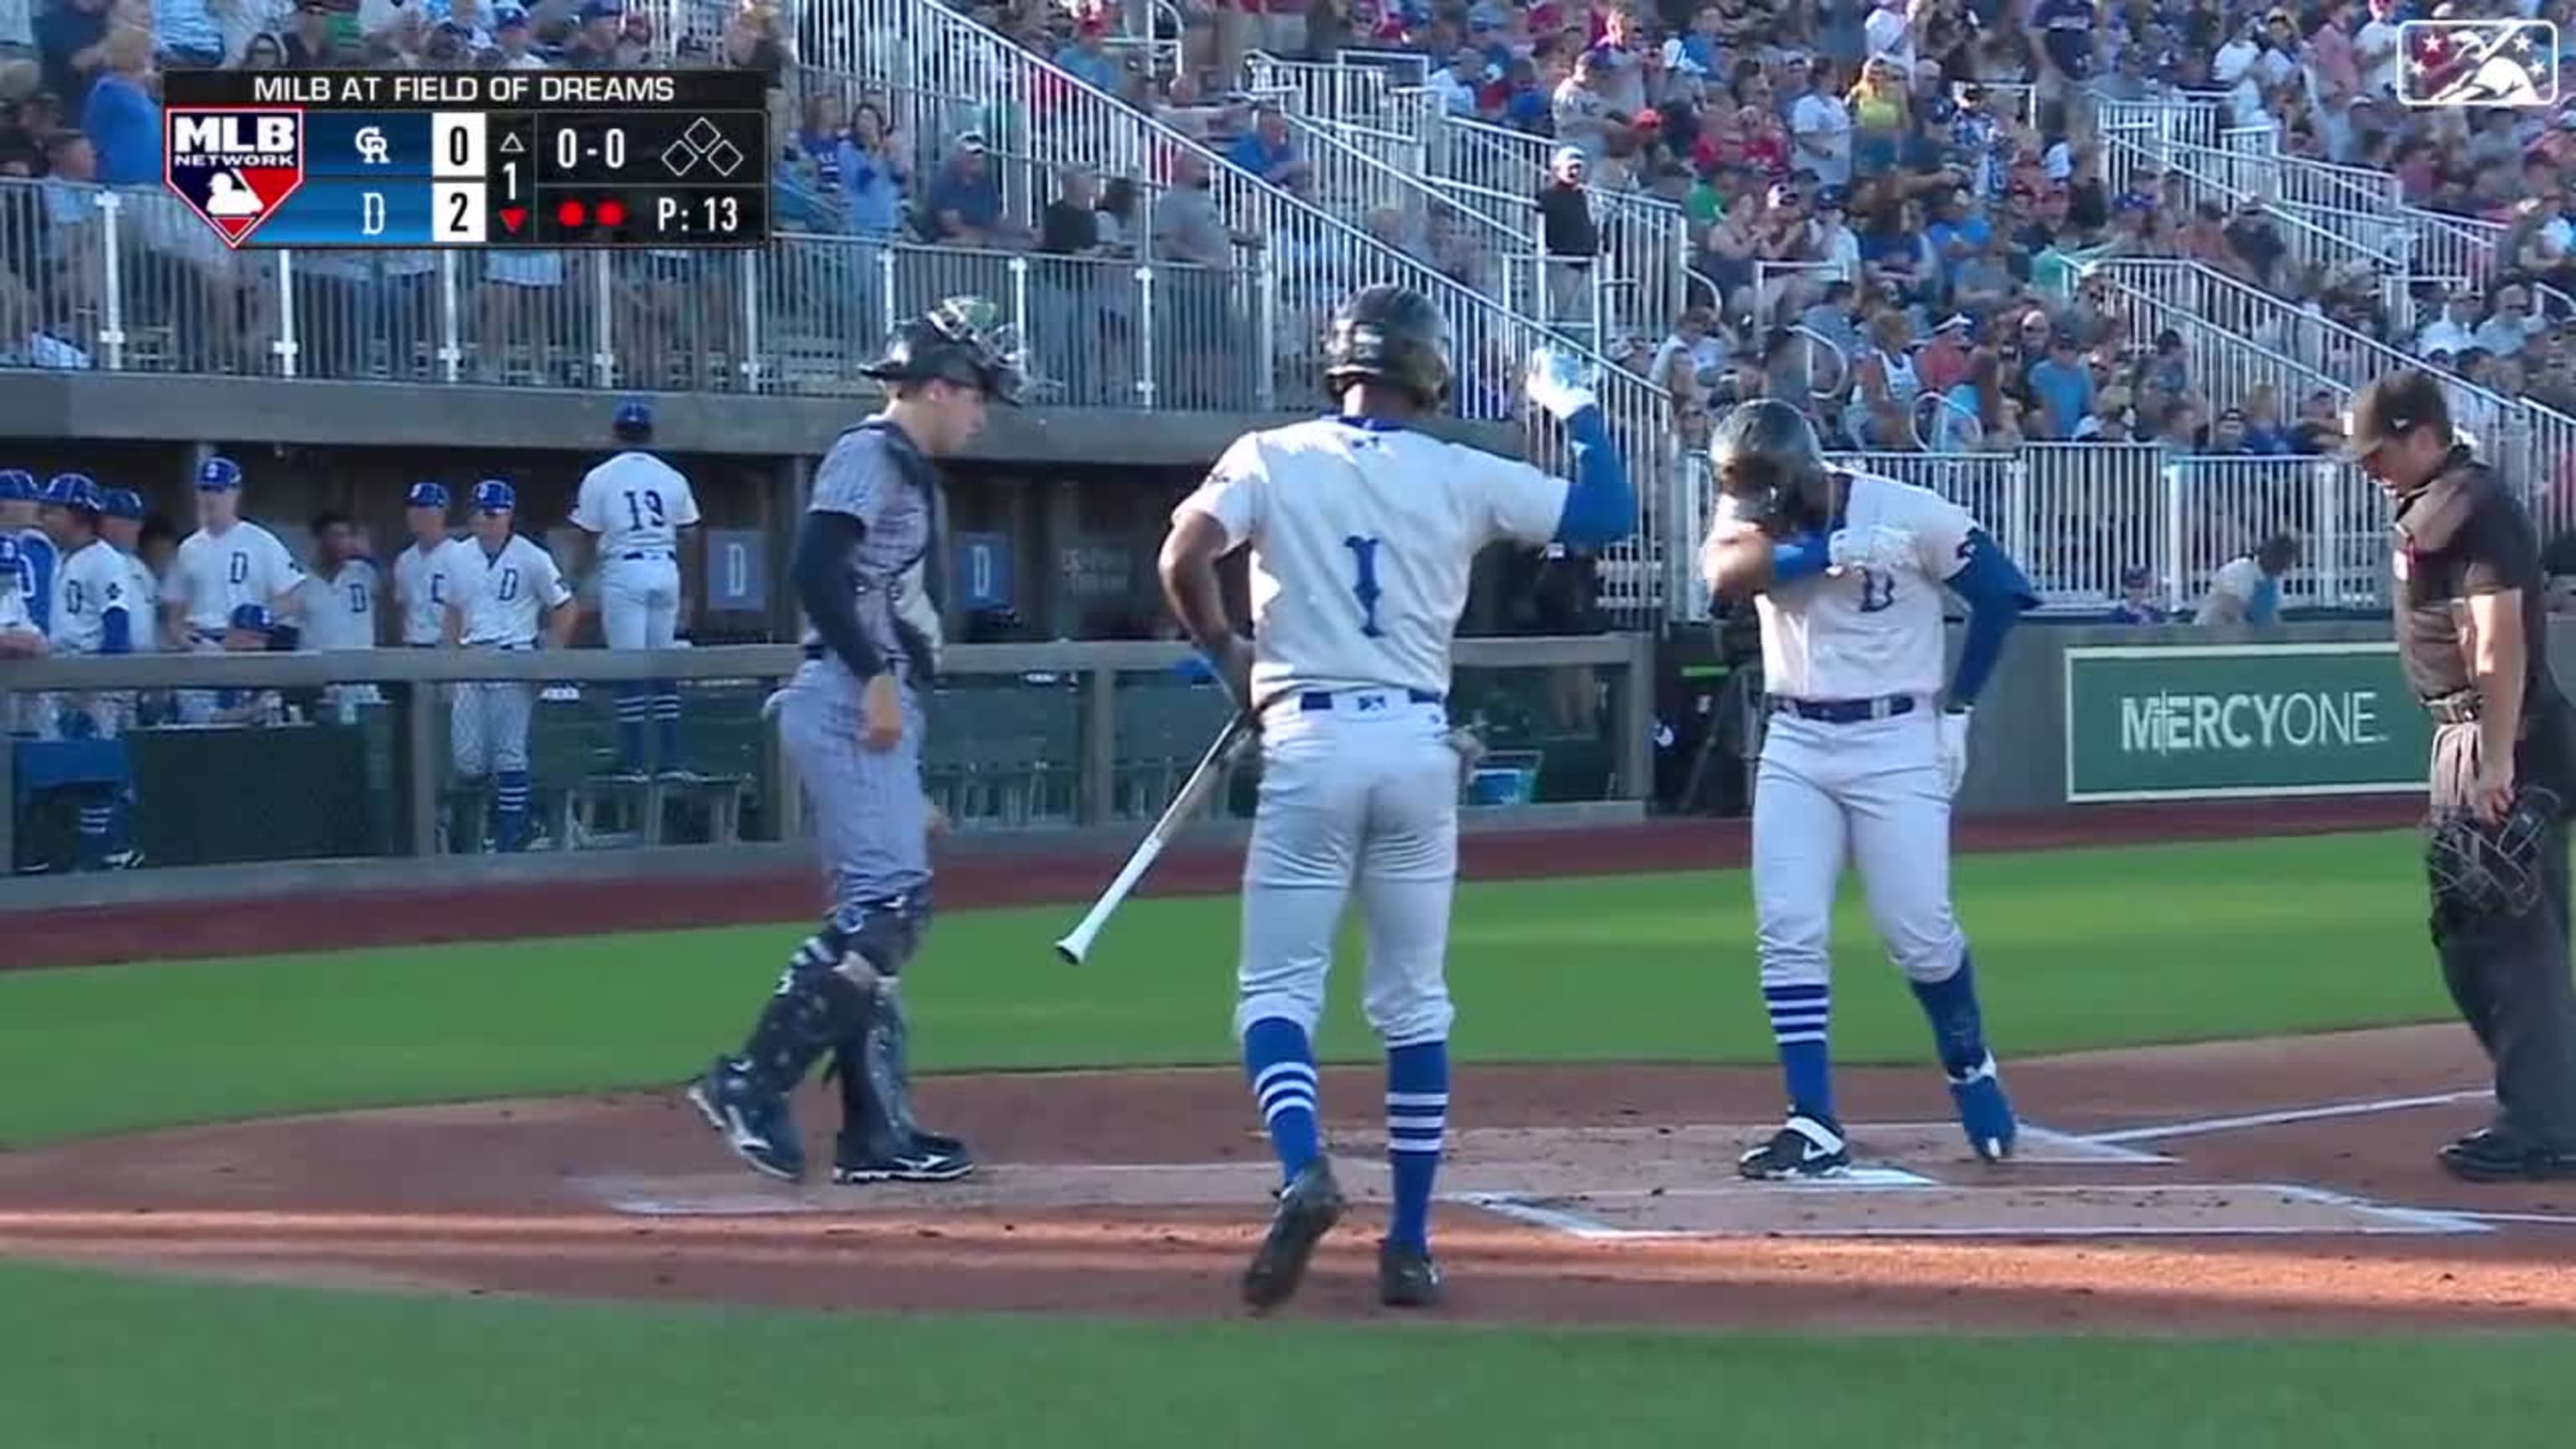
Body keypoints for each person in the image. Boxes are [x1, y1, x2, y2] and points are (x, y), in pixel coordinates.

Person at [1155, 285, 1636, 1313]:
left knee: (1277, 992)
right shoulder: (1459, 472)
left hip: (1310, 737)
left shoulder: (1268, 456)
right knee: (1413, 1002)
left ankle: (1302, 1168)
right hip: (1418, 742)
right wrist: (1577, 407)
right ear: (1428, 373)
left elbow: (1181, 556)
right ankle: (1411, 1245)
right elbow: (1610, 514)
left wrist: (1229, 653)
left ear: (1339, 366)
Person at [685, 299, 1018, 1189]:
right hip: (847, 692)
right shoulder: (870, 453)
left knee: (876, 919)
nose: (982, 415)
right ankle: (751, 1081)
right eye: (978, 395)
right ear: (940, 388)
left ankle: (877, 1132)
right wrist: (872, 676)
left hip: (871, 705)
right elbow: (814, 569)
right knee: (890, 914)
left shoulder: (903, 466)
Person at [1697, 398, 2038, 1180]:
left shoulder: (1906, 510)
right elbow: (1723, 574)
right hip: (1796, 736)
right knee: (1787, 925)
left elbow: (2001, 593)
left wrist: (1957, 711)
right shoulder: (1750, 512)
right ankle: (1812, 1119)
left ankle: (1967, 1061)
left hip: (1895, 737)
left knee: (1917, 930)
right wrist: (1815, 556)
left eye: (1767, 499)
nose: (1759, 513)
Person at [2355, 369, 2576, 1182]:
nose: (2370, 468)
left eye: (2380, 452)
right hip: (2464, 735)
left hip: (2501, 735)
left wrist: (2495, 756)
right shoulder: (2434, 505)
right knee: (2465, 934)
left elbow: (2500, 640)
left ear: (2424, 436)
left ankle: (2545, 1123)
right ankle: (2555, 1099)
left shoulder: (2475, 509)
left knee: (2515, 934)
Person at [437, 480, 577, 854]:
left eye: (491, 513)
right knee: (468, 760)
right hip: (470, 659)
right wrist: (446, 660)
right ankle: (484, 830)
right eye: (478, 512)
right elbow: (452, 611)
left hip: (514, 655)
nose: (483, 519)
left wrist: (550, 654)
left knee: (509, 753)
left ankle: (511, 836)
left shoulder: (531, 556)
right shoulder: (457, 555)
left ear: (508, 515)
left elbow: (564, 606)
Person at [570, 398, 703, 780]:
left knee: (628, 665)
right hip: (665, 567)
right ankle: (671, 758)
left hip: (625, 570)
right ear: (650, 435)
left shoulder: (601, 476)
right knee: (663, 665)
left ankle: (633, 760)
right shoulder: (671, 476)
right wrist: (688, 587)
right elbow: (690, 532)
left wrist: (577, 580)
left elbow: (586, 535)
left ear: (616, 435)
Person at [163, 456, 304, 652]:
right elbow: (174, 611)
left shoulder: (261, 541)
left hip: (249, 644)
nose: (211, 498)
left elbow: (293, 598)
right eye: (205, 490)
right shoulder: (188, 548)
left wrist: (260, 619)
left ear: (235, 493)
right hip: (202, 645)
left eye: (219, 491)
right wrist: (187, 640)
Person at [2194, 530, 2301, 626]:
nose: (2283, 569)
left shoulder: (2271, 583)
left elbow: (2270, 617)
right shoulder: (2238, 571)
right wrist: (2250, 637)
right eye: (2281, 562)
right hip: (2209, 637)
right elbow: (2229, 609)